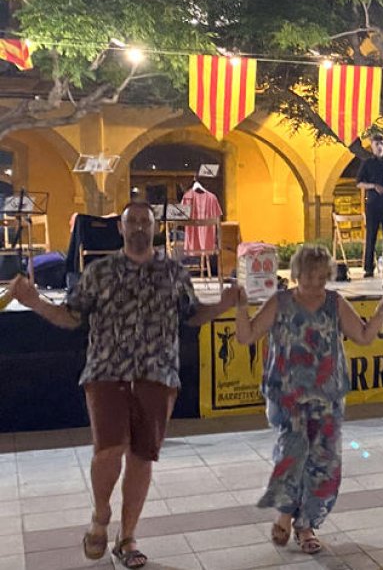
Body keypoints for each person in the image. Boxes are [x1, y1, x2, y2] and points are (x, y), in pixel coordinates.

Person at [9, 201, 238, 569]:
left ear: (154, 228)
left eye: (144, 223)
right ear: (120, 228)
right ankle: (100, 517)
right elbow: (71, 317)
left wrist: (223, 304)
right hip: (106, 372)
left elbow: (192, 316)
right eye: (131, 222)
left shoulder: (173, 272)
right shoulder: (99, 271)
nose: (137, 228)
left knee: (142, 456)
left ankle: (128, 537)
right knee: (108, 450)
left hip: (157, 372)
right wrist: (34, 302)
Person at [233, 245, 383, 554]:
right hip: (287, 396)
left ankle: (306, 525)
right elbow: (246, 335)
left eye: (322, 276)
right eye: (309, 275)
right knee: (292, 454)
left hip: (327, 397)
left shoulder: (335, 302)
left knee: (324, 463)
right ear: (296, 273)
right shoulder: (280, 302)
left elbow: (362, 336)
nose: (315, 282)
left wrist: (382, 310)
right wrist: (241, 307)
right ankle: (284, 514)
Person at [356, 134, 383, 279]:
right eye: (376, 144)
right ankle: (368, 268)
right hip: (373, 203)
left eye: (381, 144)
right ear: (372, 146)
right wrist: (373, 186)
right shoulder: (367, 163)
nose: (379, 147)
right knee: (371, 236)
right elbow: (359, 183)